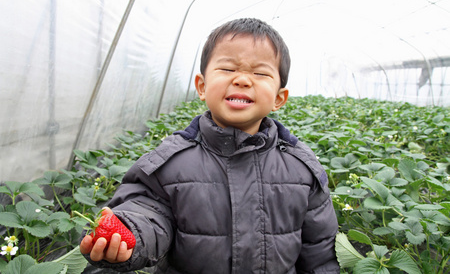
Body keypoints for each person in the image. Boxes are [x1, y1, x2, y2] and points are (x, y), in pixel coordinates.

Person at [79, 18, 340, 273]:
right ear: (202, 87)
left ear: (279, 98)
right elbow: (146, 210)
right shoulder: (170, 161)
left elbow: (320, 251)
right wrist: (130, 233)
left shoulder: (302, 168)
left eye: (260, 73)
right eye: (227, 69)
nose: (242, 80)